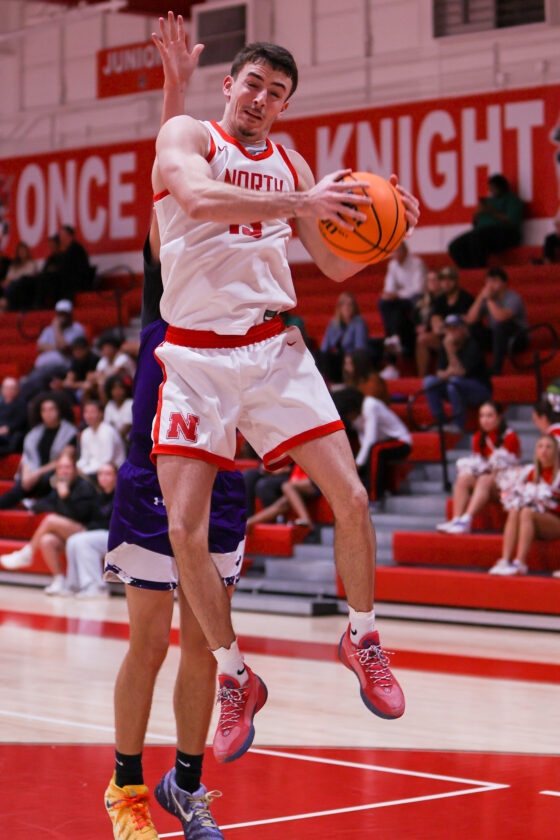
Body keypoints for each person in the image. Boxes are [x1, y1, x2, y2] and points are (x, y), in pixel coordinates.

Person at [152, 19, 418, 778]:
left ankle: (362, 637)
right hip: (199, 357)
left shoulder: (294, 162)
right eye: (254, 85)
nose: (263, 100)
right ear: (228, 86)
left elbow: (335, 269)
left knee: (353, 498)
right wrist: (301, 199)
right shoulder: (190, 135)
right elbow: (198, 201)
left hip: (273, 350)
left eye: (278, 93)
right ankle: (237, 676)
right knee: (184, 532)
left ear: (286, 106)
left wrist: (386, 232)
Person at [103, 16, 249, 839]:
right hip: (156, 473)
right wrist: (177, 93)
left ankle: (184, 790)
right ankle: (125, 794)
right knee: (150, 642)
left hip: (220, 480)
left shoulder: (253, 301)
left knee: (204, 646)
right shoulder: (175, 270)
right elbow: (169, 178)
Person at [0, 450, 97, 595]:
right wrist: (59, 498)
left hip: (89, 531)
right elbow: (41, 505)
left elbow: (81, 515)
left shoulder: (84, 486)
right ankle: (59, 580)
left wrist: (65, 498)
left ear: (75, 469)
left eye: (67, 467)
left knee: (50, 520)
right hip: (71, 535)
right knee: (47, 540)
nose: (64, 471)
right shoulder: (59, 485)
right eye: (60, 468)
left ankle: (27, 554)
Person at [436, 400, 520, 533]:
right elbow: (479, 463)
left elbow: (509, 468)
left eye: (489, 416)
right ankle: (456, 518)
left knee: (484, 479)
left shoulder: (510, 436)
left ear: (499, 417)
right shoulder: (478, 437)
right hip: (488, 481)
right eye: (482, 416)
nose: (485, 420)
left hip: (505, 486)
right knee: (464, 478)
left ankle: (467, 520)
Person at [489, 434, 560, 575]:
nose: (544, 450)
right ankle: (505, 560)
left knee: (527, 511)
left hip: (555, 522)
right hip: (535, 521)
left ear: (556, 452)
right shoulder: (530, 473)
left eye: (548, 447)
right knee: (516, 509)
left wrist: (546, 502)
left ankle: (520, 562)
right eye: (540, 446)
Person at [333, 386, 412, 509]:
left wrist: (358, 464)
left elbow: (371, 438)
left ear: (351, 408)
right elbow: (363, 438)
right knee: (366, 453)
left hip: (400, 441)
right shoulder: (357, 414)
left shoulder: (370, 405)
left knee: (375, 451)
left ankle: (375, 498)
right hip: (381, 442)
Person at [0, 395, 77, 510]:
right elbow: (27, 457)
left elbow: (64, 461)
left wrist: (37, 473)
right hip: (35, 474)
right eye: (44, 410)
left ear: (59, 411)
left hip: (60, 474)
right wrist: (27, 474)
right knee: (22, 483)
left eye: (51, 409)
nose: (48, 413)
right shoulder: (35, 433)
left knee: (47, 480)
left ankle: (39, 504)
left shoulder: (69, 432)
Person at [423, 314, 492, 430]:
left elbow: (461, 372)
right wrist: (448, 373)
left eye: (455, 328)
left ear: (464, 329)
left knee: (454, 384)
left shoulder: (472, 345)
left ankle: (458, 426)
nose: (451, 332)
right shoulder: (445, 345)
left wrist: (450, 351)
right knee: (429, 382)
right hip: (456, 387)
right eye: (448, 328)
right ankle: (441, 423)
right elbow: (439, 372)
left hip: (479, 389)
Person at [61, 462, 118, 598]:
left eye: (108, 474)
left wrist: (88, 528)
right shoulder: (98, 497)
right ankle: (74, 585)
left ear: (116, 477)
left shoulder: (121, 496)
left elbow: (113, 523)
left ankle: (97, 587)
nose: (104, 477)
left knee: (84, 541)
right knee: (73, 540)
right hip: (102, 535)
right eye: (101, 474)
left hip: (118, 537)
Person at [448, 173, 524, 269]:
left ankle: (479, 269)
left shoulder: (512, 199)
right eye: (490, 188)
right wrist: (478, 213)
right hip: (482, 232)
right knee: (455, 245)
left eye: (493, 188)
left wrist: (491, 211)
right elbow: (475, 224)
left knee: (477, 237)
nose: (491, 191)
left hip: (505, 233)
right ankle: (468, 270)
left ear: (501, 187)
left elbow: (512, 220)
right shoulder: (488, 202)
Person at [464, 266, 528, 375]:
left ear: (504, 283)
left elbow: (501, 317)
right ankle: (477, 369)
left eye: (494, 281)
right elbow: (469, 319)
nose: (490, 285)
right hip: (497, 338)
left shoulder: (513, 298)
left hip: (518, 338)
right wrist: (480, 297)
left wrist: (488, 299)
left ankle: (496, 370)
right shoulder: (488, 298)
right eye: (488, 281)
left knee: (501, 326)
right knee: (473, 329)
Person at [20, 299, 87, 401]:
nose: (62, 317)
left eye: (65, 314)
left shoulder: (77, 328)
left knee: (32, 383)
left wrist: (57, 329)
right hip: (41, 368)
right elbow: (39, 347)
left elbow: (65, 348)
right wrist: (56, 347)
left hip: (62, 367)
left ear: (70, 314)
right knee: (25, 382)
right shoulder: (48, 329)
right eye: (60, 314)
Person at [415, 266, 474, 378]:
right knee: (422, 339)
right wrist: (445, 328)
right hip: (444, 335)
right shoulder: (439, 300)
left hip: (463, 339)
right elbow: (436, 325)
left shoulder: (466, 298)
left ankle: (456, 369)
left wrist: (447, 328)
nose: (446, 283)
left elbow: (468, 323)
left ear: (456, 281)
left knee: (450, 338)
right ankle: (421, 378)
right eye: (443, 280)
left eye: (450, 280)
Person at [378, 241, 426, 356]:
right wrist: (388, 294)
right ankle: (391, 336)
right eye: (393, 252)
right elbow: (389, 287)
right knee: (383, 303)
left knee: (399, 306)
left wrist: (397, 294)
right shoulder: (392, 265)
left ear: (406, 251)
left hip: (416, 298)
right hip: (400, 298)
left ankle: (395, 336)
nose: (396, 255)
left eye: (398, 251)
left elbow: (418, 289)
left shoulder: (417, 263)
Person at [245, 463, 318, 530]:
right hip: (298, 478)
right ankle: (248, 523)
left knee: (286, 487)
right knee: (282, 503)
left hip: (312, 479)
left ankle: (306, 520)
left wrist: (286, 470)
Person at [318, 291, 370, 382]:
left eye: (350, 304)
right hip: (337, 356)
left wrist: (348, 357)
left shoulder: (359, 322)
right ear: (340, 307)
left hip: (351, 357)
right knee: (320, 356)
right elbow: (325, 346)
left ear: (354, 307)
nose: (347, 307)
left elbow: (360, 347)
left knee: (343, 360)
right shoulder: (334, 323)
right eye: (344, 304)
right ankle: (327, 384)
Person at [76, 399, 126, 480]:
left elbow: (106, 460)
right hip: (92, 469)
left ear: (101, 414)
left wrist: (84, 471)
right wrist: (75, 469)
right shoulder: (85, 433)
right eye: (86, 412)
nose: (89, 415)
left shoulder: (107, 431)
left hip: (112, 471)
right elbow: (84, 459)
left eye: (92, 412)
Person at [2, 241, 37, 310]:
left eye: (23, 251)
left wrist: (14, 281)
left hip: (24, 289)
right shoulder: (14, 266)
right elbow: (7, 280)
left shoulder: (31, 264)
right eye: (20, 251)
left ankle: (4, 302)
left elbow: (29, 278)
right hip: (11, 288)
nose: (22, 253)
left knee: (18, 284)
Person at [0, 376, 28, 455]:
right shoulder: (1, 404)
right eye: (7, 388)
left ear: (17, 390)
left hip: (10, 436)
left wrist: (7, 429)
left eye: (12, 388)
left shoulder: (22, 405)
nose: (10, 391)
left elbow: (19, 422)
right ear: (2, 390)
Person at [103, 375, 133, 442]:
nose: (117, 392)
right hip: (113, 441)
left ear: (125, 390)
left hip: (128, 443)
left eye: (120, 388)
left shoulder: (130, 403)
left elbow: (125, 430)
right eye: (114, 388)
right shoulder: (110, 405)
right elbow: (107, 427)